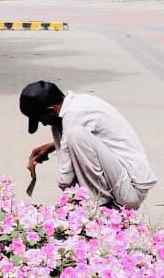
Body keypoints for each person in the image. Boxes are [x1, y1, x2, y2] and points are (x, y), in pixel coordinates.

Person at [20, 80, 156, 209]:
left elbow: (65, 180)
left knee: (75, 135)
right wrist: (52, 147)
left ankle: (100, 207)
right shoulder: (74, 104)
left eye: (41, 119)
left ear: (52, 110)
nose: (43, 124)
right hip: (123, 180)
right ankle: (97, 203)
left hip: (131, 189)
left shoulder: (74, 115)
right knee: (72, 135)